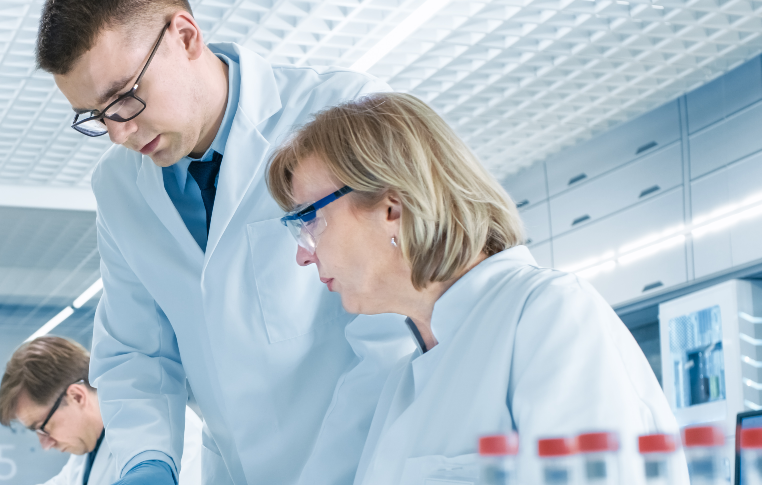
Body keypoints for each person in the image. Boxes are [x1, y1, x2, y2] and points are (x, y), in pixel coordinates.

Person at [36, 0, 417, 485]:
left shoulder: (344, 110)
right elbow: (135, 352)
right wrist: (147, 462)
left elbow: (395, 328)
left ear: (185, 37)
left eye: (123, 98)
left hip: (369, 461)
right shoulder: (119, 187)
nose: (118, 133)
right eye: (96, 117)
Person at [265, 92, 689, 485]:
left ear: (393, 208)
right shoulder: (403, 382)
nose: (304, 255)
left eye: (310, 219)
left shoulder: (549, 313)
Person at [0, 337, 201, 485]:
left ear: (77, 396)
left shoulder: (165, 431)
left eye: (44, 428)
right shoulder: (87, 449)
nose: (46, 444)